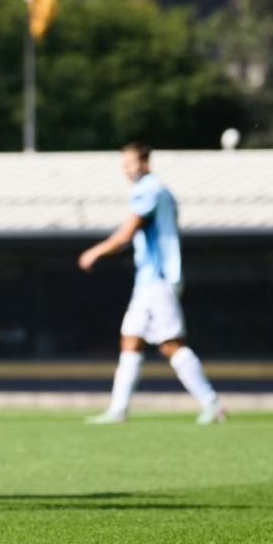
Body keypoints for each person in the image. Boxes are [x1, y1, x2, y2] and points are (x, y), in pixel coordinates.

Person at [79, 142, 226, 425]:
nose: (126, 170)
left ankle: (212, 403)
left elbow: (126, 233)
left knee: (171, 344)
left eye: (130, 163)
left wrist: (94, 251)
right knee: (131, 339)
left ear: (145, 162)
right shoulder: (157, 189)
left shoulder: (149, 189)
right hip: (147, 281)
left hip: (158, 279)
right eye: (123, 164)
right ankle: (118, 409)